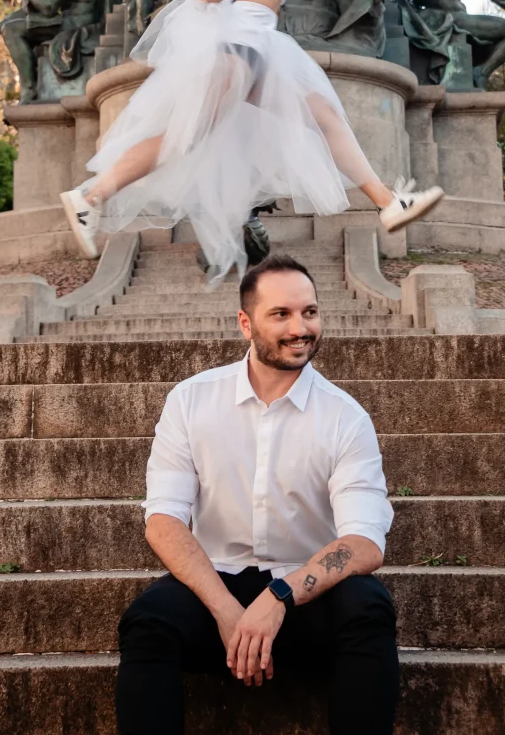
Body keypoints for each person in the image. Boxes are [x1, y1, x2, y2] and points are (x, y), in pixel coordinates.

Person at [60, 0, 443, 281]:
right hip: (242, 43)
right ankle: (89, 197)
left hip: (260, 45)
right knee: (185, 136)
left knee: (326, 119)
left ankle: (389, 202)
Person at [115, 253, 400, 735]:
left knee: (369, 609)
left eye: (310, 312)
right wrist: (228, 611)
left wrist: (279, 597)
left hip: (307, 598)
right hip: (217, 591)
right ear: (246, 324)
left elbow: (365, 544)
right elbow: (163, 521)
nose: (301, 328)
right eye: (282, 314)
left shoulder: (344, 417)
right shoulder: (191, 401)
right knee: (148, 620)